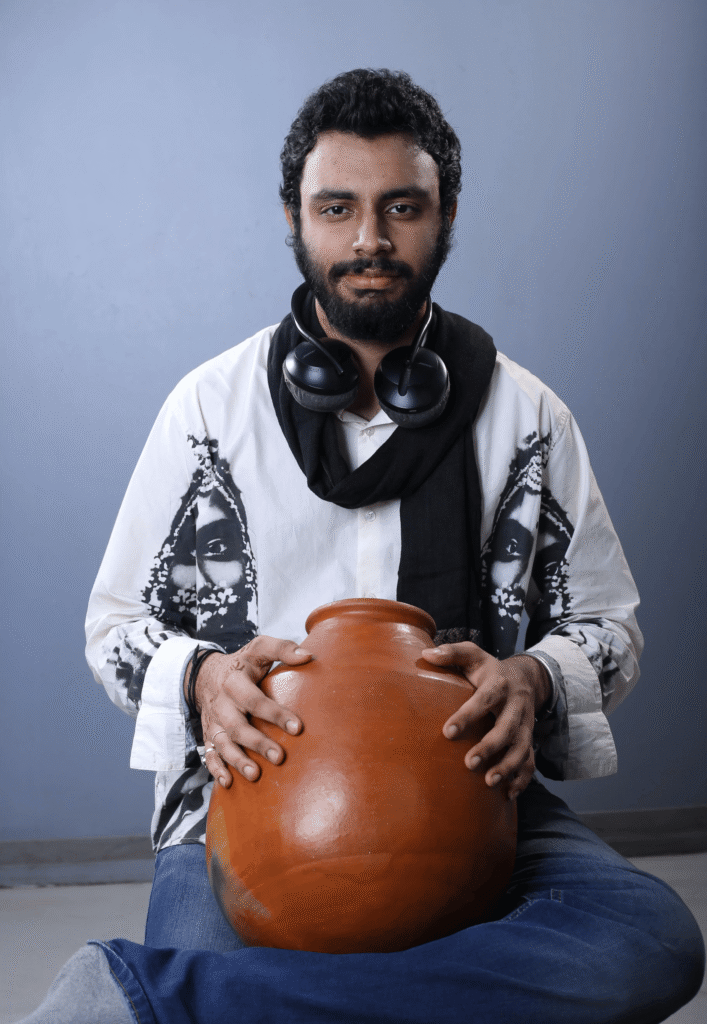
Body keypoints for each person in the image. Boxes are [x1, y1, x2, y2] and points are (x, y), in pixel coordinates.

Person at [19, 68, 703, 1024]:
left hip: (474, 797)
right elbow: (116, 626)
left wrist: (534, 679)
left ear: (445, 214)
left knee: (650, 940)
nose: (369, 239)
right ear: (294, 218)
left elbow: (608, 627)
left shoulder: (524, 415)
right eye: (336, 207)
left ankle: (170, 1005)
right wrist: (203, 679)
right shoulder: (208, 409)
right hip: (243, 807)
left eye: (401, 207)